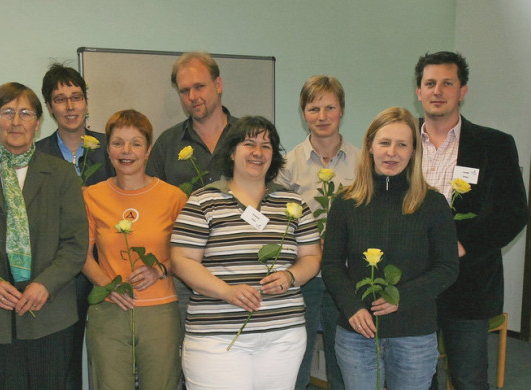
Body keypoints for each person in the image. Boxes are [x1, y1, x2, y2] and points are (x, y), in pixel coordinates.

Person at [0, 82, 88, 389]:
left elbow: (76, 245)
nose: (16, 121)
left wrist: (44, 284)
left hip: (49, 310)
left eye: (25, 113)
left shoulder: (62, 175)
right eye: (7, 112)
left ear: (38, 123)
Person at [171, 116, 322, 390]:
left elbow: (312, 257)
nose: (258, 152)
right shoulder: (203, 201)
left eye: (266, 146)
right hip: (217, 338)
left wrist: (290, 276)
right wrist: (226, 291)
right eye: (249, 144)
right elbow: (182, 261)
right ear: (232, 151)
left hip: (282, 336)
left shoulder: (293, 203)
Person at [321, 107, 459, 390]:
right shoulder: (345, 203)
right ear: (370, 145)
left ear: (413, 151)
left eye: (402, 144)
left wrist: (401, 297)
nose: (392, 152)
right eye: (384, 143)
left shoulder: (433, 205)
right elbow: (332, 264)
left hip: (414, 335)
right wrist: (352, 307)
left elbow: (447, 268)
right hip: (357, 333)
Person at [414, 51, 528, 389]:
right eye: (430, 83)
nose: (438, 91)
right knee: (418, 377)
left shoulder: (495, 145)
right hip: (412, 286)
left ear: (462, 91)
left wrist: (462, 245)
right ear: (418, 91)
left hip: (469, 286)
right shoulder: (400, 146)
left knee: (469, 379)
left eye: (447, 83)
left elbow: (513, 213)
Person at [83, 109, 186, 390]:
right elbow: (81, 254)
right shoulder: (91, 196)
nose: (126, 151)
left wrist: (159, 270)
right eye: (118, 143)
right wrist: (108, 286)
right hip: (110, 309)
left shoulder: (174, 197)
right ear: (107, 149)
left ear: (148, 149)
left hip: (160, 312)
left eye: (136, 143)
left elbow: (189, 254)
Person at [275, 75, 359, 390]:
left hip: (347, 278)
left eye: (329, 108)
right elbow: (279, 224)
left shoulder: (362, 162)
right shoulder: (287, 165)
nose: (322, 117)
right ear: (303, 113)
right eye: (313, 109)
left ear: (341, 111)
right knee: (296, 359)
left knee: (345, 362)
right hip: (303, 279)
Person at [146, 51, 239, 329]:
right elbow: (152, 207)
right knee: (190, 357)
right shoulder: (167, 144)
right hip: (184, 275)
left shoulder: (248, 137)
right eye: (184, 91)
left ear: (218, 85)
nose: (192, 97)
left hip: (239, 269)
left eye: (199, 87)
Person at [36, 62, 113, 390]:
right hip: (62, 272)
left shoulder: (112, 147)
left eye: (76, 97)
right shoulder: (37, 154)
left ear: (86, 100)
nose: (70, 106)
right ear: (49, 107)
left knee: (109, 358)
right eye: (60, 99)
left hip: (107, 265)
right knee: (63, 362)